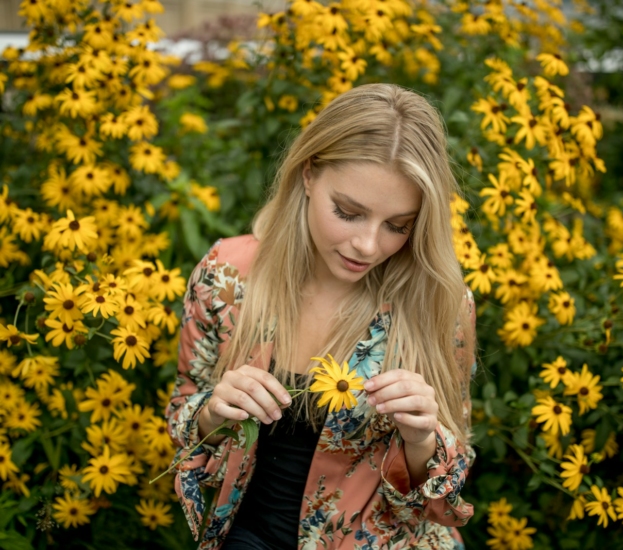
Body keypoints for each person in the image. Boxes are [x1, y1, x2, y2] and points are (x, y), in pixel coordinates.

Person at [165, 83, 477, 550]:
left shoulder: (439, 302)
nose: (368, 246)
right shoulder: (226, 278)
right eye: (348, 212)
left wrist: (421, 441)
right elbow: (181, 421)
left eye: (398, 226)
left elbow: (442, 499)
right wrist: (213, 412)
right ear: (309, 175)